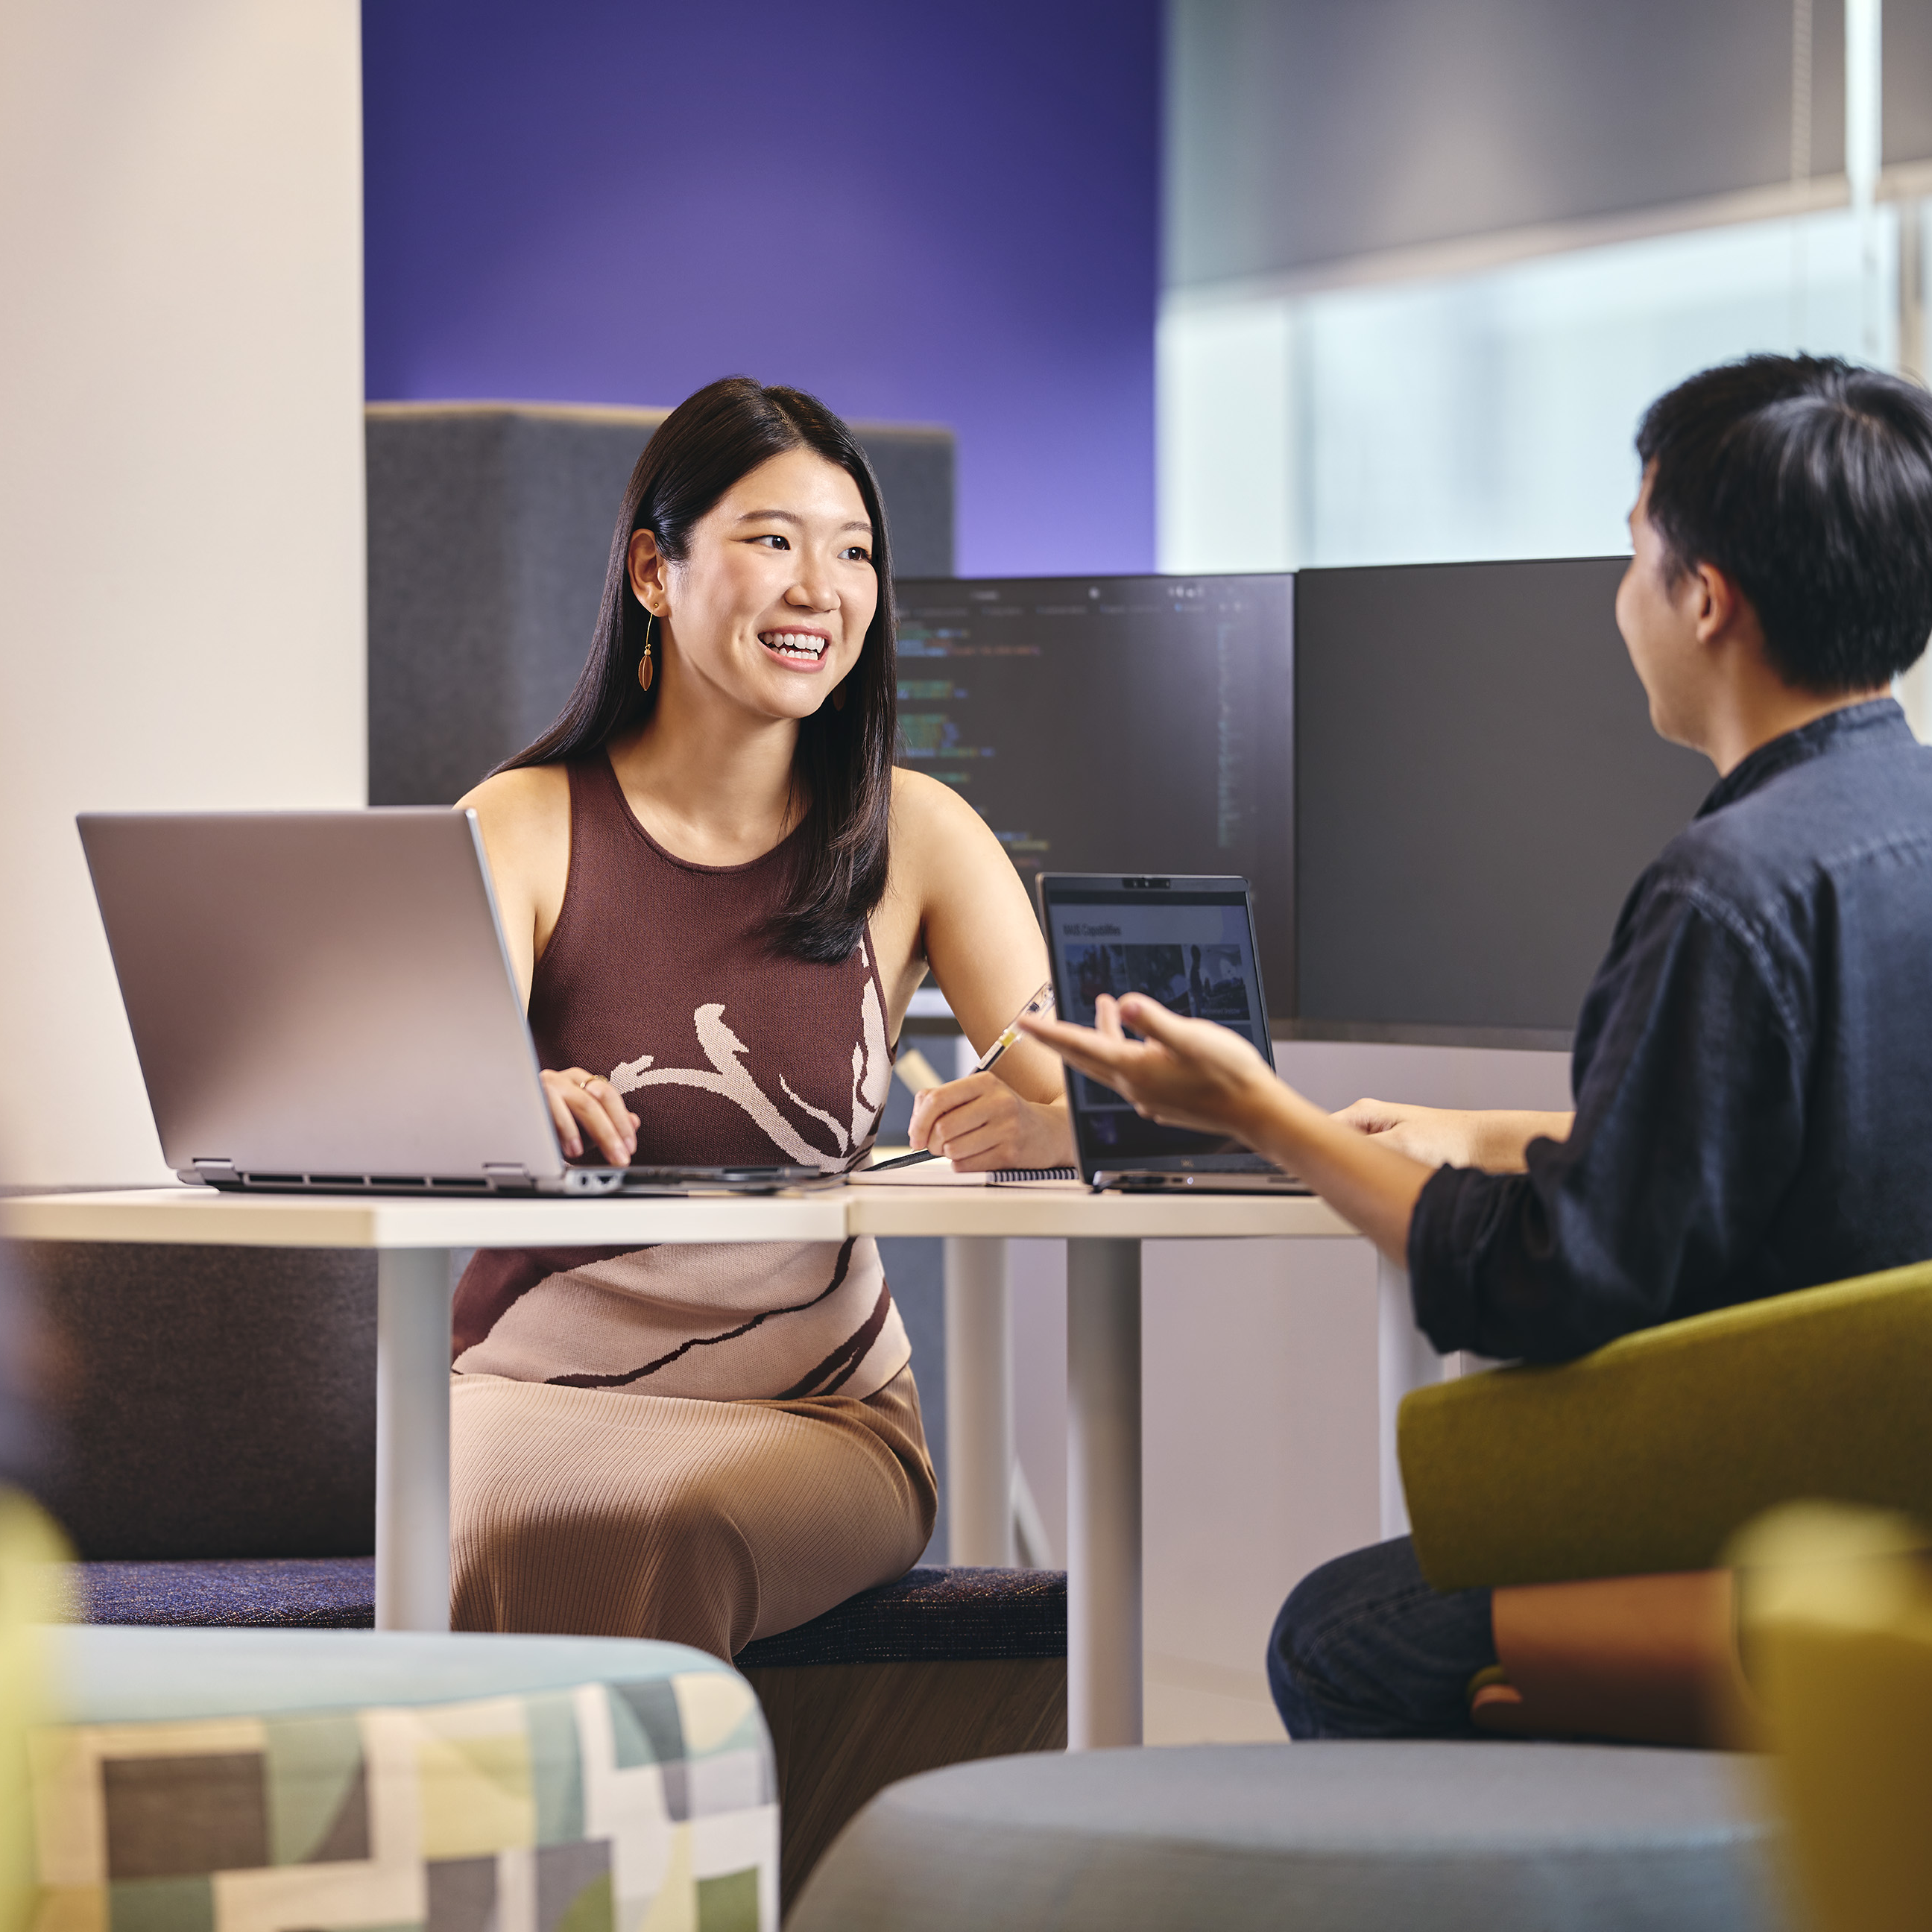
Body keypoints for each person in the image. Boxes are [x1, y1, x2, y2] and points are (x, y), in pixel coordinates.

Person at [1022, 353, 1932, 1743]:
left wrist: (1263, 1114)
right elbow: (1802, 1157)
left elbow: (1554, 1282)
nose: (1619, 599)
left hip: (1774, 1521)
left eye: (1634, 553)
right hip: (1896, 1495)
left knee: (1339, 1638)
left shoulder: (1729, 889)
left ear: (1704, 597)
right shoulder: (1892, 832)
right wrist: (1486, 1135)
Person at [450, 376, 1073, 1654]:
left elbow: (1108, 1098)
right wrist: (512, 1106)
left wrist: (1052, 1121)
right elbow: (401, 1105)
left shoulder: (921, 835)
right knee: (565, 1523)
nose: (821, 588)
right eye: (771, 540)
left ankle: (649, 1856)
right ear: (653, 573)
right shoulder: (517, 823)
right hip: (527, 1390)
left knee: (674, 1525)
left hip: (821, 1416)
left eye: (853, 553)